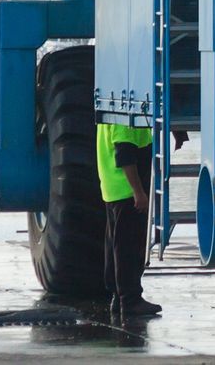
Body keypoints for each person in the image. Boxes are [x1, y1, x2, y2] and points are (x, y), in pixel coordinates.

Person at [97, 120, 160, 319]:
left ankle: (118, 297)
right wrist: (138, 192)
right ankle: (130, 300)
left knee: (115, 246)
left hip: (112, 190)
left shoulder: (108, 111)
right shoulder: (124, 117)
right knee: (129, 248)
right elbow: (124, 155)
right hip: (127, 194)